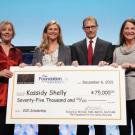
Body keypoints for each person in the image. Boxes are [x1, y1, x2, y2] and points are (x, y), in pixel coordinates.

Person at [71, 16, 114, 135]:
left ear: (97, 27)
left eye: (92, 27)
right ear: (83, 29)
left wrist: (107, 64)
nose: (90, 29)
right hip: (81, 94)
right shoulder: (75, 46)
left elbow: (111, 66)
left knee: (100, 128)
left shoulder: (108, 45)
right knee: (82, 128)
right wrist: (72, 64)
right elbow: (71, 70)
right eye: (87, 27)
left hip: (99, 94)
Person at [32, 20, 71, 135]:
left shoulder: (66, 49)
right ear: (45, 32)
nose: (53, 31)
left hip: (59, 94)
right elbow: (33, 68)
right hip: (41, 94)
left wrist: (65, 67)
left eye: (55, 29)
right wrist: (33, 66)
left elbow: (70, 72)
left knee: (54, 126)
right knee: (42, 126)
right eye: (50, 29)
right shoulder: (38, 49)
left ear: (59, 32)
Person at [111, 18, 135, 135]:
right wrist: (112, 66)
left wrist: (131, 65)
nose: (129, 31)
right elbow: (113, 74)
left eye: (132, 28)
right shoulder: (116, 51)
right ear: (122, 31)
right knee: (123, 131)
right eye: (126, 28)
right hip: (121, 97)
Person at [0, 21, 22, 135]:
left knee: (9, 131)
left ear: (13, 33)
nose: (7, 32)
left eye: (9, 29)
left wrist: (23, 68)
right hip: (0, 97)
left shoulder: (17, 52)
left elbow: (20, 72)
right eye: (4, 29)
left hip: (13, 99)